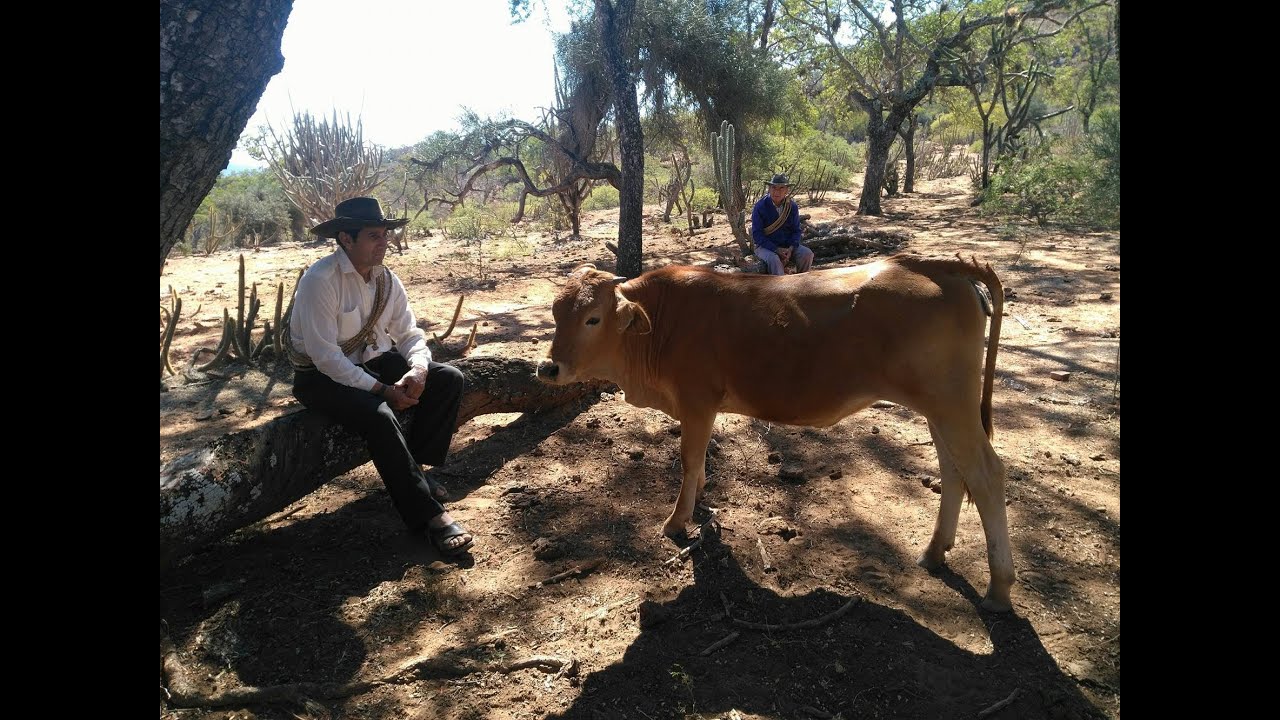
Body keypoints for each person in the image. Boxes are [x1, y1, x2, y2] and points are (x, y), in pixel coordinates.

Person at [285, 197, 474, 556]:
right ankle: (429, 517)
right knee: (380, 416)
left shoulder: (387, 280)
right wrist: (383, 390)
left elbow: (409, 334)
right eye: (374, 236)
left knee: (448, 379)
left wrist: (418, 368)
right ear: (346, 239)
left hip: (372, 361)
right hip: (319, 377)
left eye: (385, 235)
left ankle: (415, 471)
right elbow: (325, 358)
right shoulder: (320, 281)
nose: (384, 242)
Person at [750, 174, 814, 275]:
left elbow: (796, 230)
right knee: (774, 260)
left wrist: (791, 248)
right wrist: (776, 249)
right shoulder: (760, 207)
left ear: (786, 190)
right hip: (765, 247)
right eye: (774, 188)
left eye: (781, 188)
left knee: (807, 254)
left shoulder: (792, 206)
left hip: (788, 246)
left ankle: (802, 281)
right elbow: (757, 235)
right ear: (769, 189)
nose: (777, 192)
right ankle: (780, 285)